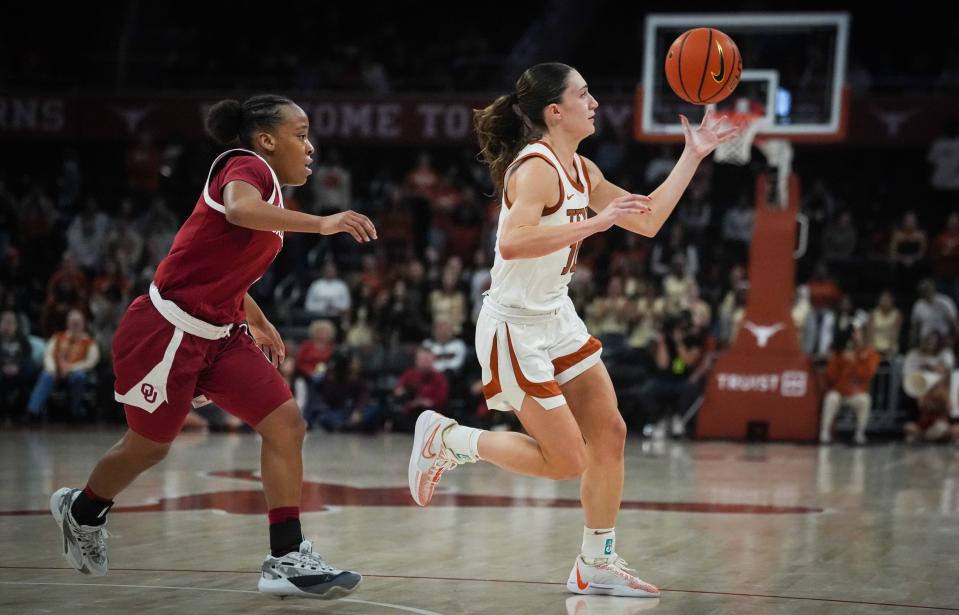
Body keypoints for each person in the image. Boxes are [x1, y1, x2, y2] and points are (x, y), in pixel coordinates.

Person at [407, 62, 737, 598]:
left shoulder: (582, 170)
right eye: (584, 94)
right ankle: (448, 438)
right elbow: (513, 242)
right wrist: (593, 224)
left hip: (556, 317)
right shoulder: (534, 168)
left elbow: (647, 219)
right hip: (513, 327)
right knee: (567, 460)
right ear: (554, 111)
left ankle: (595, 563)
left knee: (610, 434)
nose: (595, 103)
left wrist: (692, 155)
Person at [49, 95, 376, 599]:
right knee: (149, 447)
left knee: (286, 423)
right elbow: (243, 211)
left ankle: (286, 558)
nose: (310, 147)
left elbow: (221, 268)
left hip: (222, 336)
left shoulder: (270, 195)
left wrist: (260, 321)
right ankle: (83, 509)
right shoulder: (244, 166)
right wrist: (324, 222)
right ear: (267, 139)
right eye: (301, 134)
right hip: (167, 332)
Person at [26, 309, 99, 420]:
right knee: (46, 375)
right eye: (72, 322)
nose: (75, 325)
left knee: (79, 377)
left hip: (75, 371)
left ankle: (75, 411)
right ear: (68, 323)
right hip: (56, 371)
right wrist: (52, 368)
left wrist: (70, 368)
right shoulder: (58, 337)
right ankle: (33, 411)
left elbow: (90, 362)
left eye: (77, 323)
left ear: (83, 324)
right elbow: (48, 354)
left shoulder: (89, 342)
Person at [818, 325, 881, 445]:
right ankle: (824, 433)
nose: (855, 338)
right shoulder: (839, 353)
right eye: (853, 334)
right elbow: (830, 377)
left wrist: (855, 362)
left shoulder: (870, 354)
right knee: (831, 398)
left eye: (858, 334)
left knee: (865, 400)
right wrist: (837, 360)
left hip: (856, 393)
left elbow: (867, 375)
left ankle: (859, 434)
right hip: (839, 392)